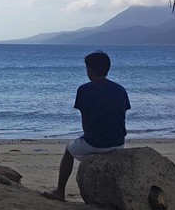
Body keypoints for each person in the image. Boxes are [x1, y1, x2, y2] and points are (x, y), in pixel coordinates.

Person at [43, 51, 131, 202]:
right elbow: (120, 115)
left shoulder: (84, 90)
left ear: (89, 70)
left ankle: (60, 191)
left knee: (69, 150)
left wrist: (90, 138)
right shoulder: (120, 90)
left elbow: (85, 122)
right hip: (118, 141)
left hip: (96, 141)